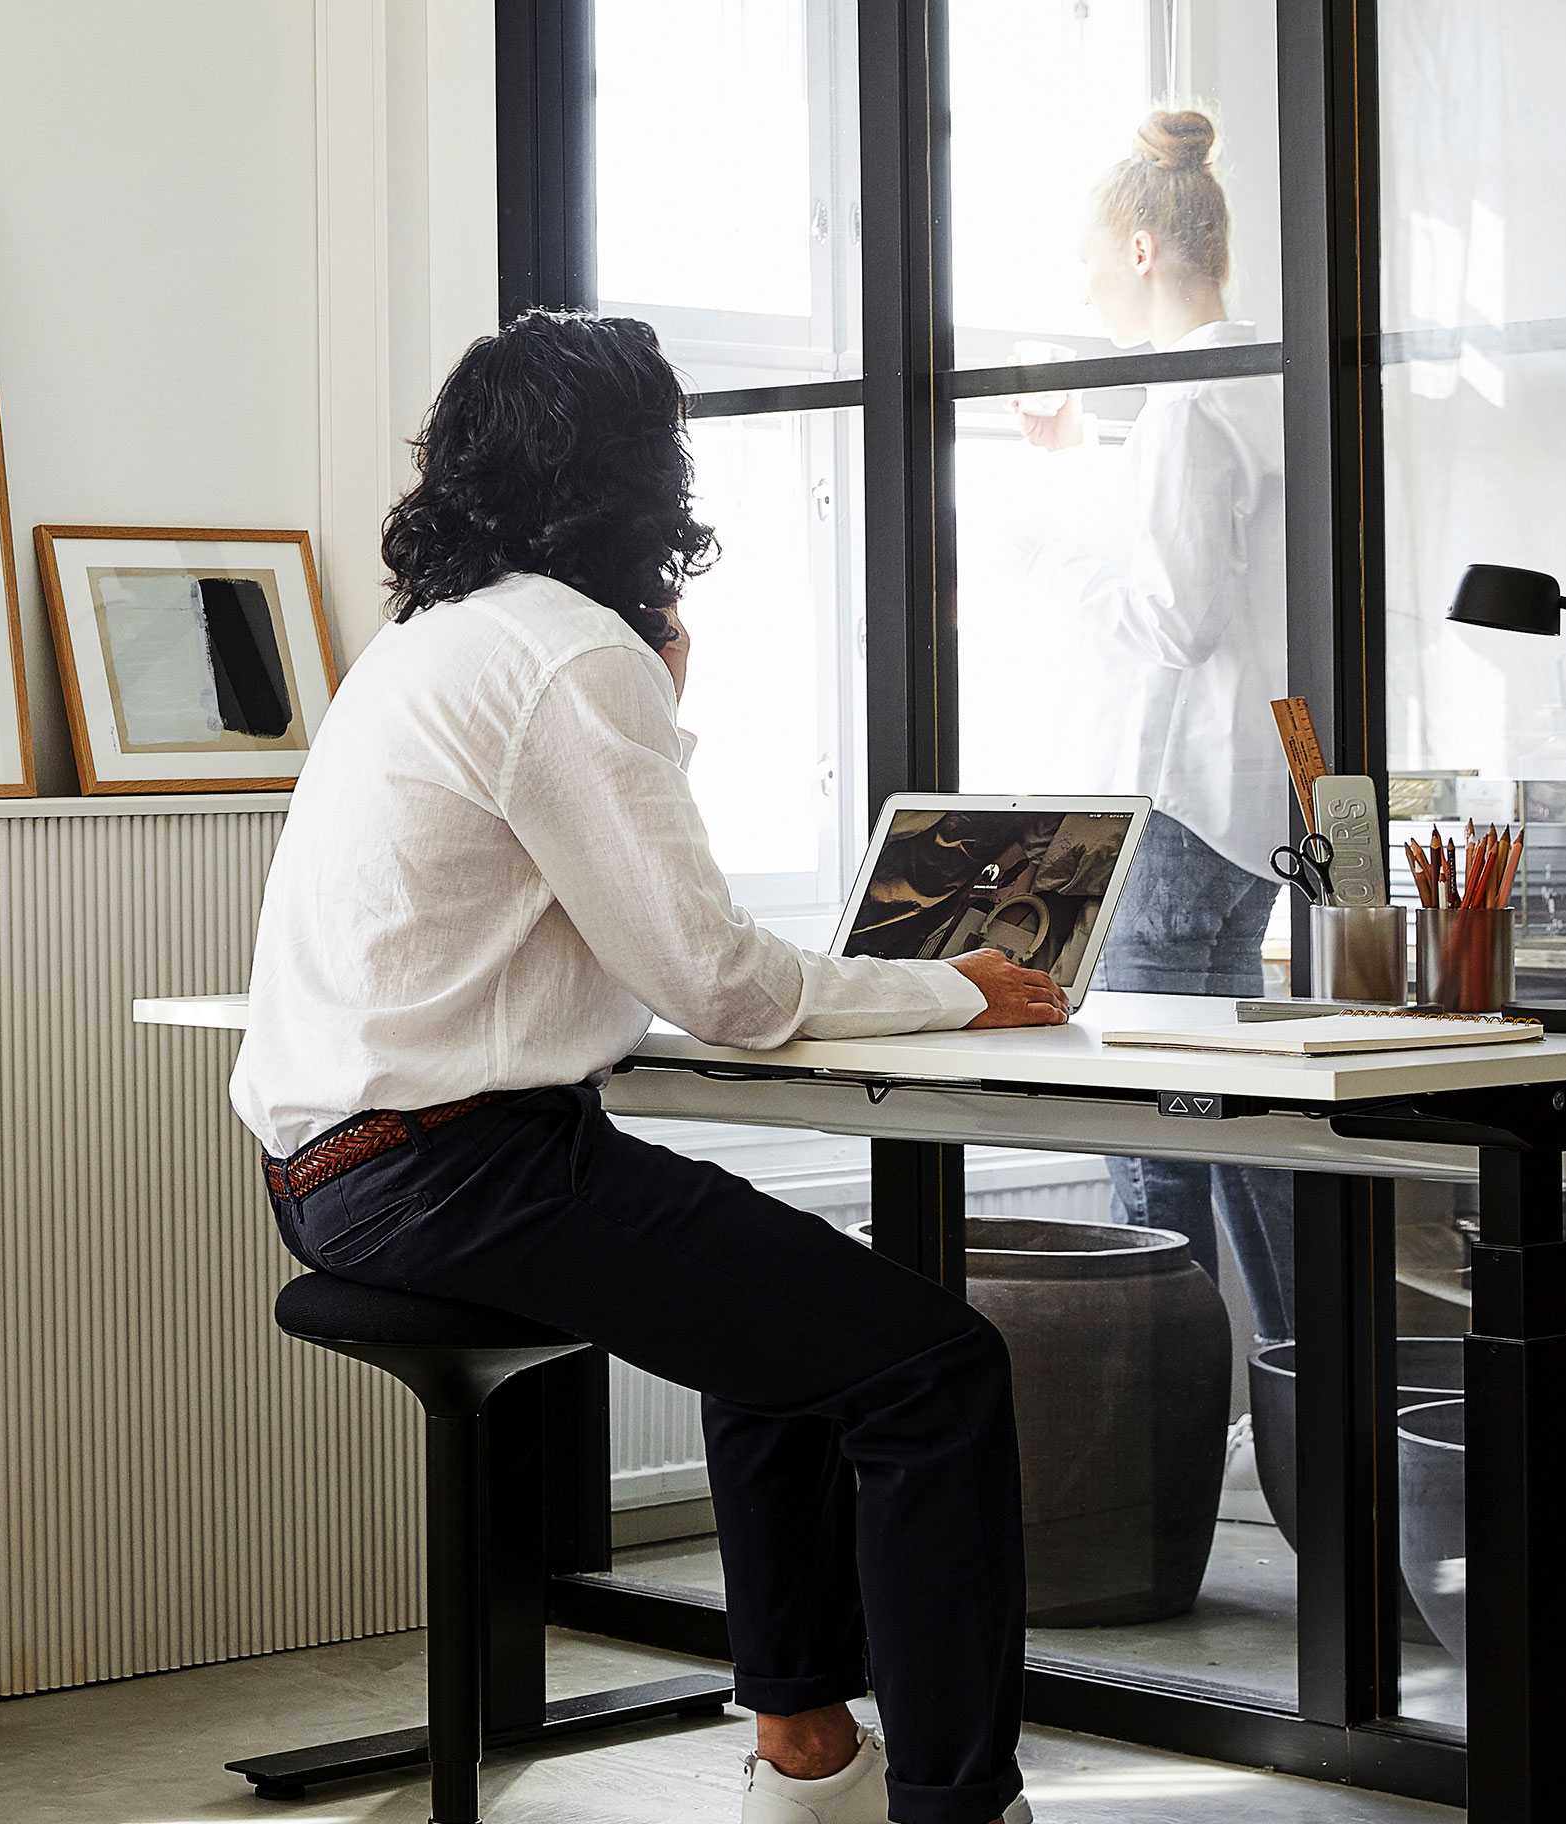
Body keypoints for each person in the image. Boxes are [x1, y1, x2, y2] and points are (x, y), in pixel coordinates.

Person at [232, 310, 1051, 1824]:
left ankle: (806, 1755)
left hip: (339, 1171)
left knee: (785, 1342)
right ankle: (958, 1806)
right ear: (637, 476)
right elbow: (726, 986)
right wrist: (960, 986)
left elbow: (632, 935)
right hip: (458, 1170)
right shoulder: (566, 655)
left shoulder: (432, 641)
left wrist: (650, 695)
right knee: (936, 1370)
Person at [1012, 110, 1298, 1348]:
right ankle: (1305, 1403)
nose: (1083, 284)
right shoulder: (1274, 385)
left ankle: (1151, 1426)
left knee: (1153, 1142)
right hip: (1259, 799)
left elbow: (1172, 620)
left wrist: (1043, 550)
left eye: (1088, 257)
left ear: (1141, 249)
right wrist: (1082, 476)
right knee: (1241, 1127)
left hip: (1176, 807)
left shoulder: (1186, 405)